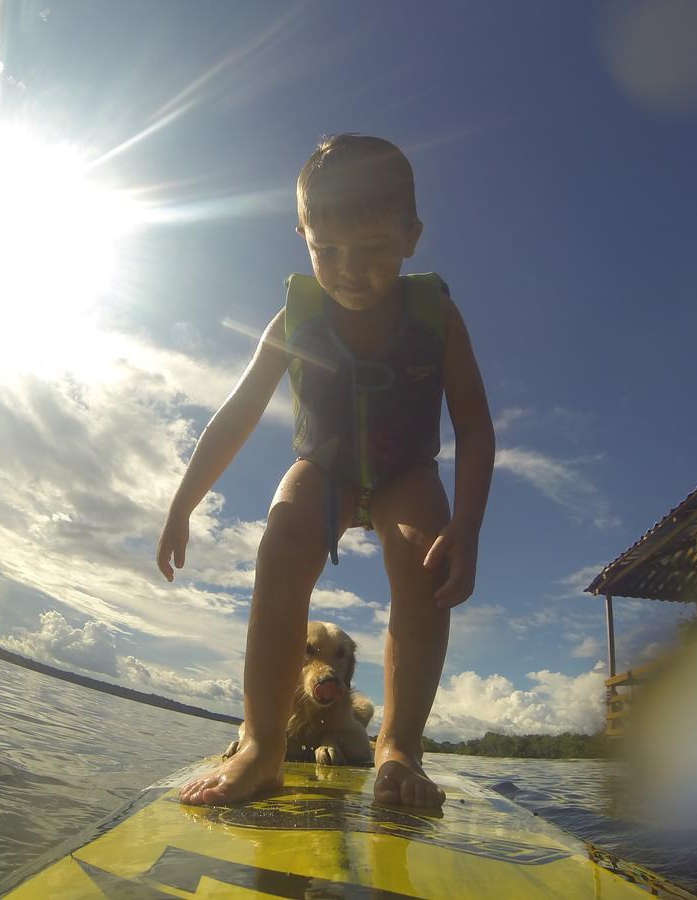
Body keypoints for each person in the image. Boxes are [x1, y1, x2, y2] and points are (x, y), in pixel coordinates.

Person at [156, 134, 495, 808]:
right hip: (325, 467)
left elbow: (475, 425)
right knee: (282, 538)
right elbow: (238, 413)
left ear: (411, 237)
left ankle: (399, 747)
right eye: (327, 249)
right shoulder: (295, 318)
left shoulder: (438, 316)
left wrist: (467, 523)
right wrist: (183, 502)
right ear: (303, 233)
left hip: (406, 472)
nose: (349, 270)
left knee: (423, 560)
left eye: (372, 250)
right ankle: (261, 745)